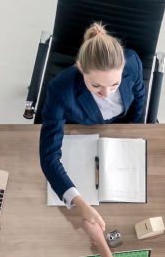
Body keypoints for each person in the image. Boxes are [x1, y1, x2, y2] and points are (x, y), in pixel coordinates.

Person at [39, 21, 148, 230]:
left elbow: (139, 96)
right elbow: (48, 156)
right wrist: (80, 203)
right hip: (83, 131)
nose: (107, 93)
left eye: (114, 84)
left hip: (119, 132)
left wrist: (131, 131)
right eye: (96, 85)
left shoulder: (132, 61)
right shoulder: (61, 90)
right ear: (81, 69)